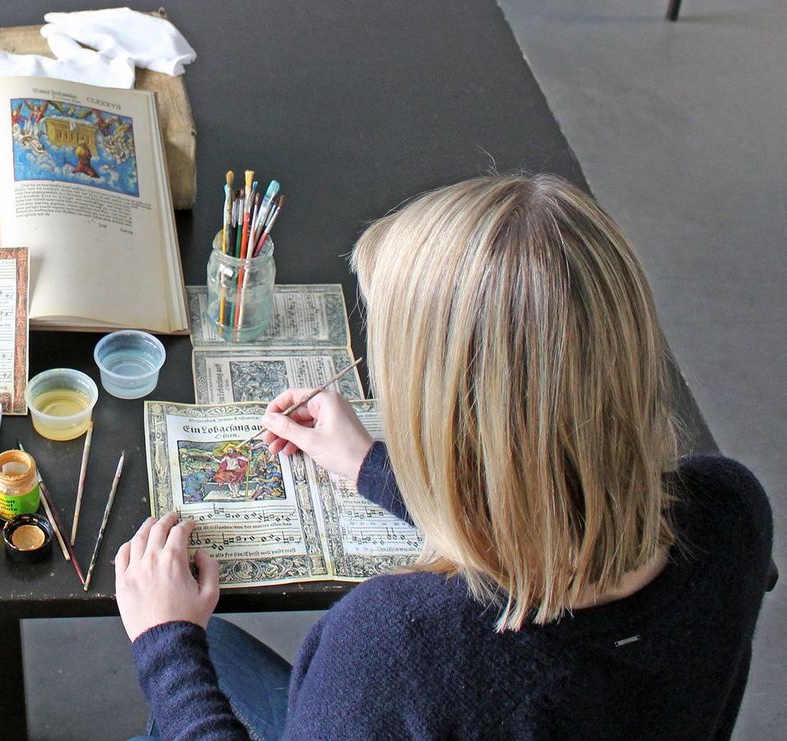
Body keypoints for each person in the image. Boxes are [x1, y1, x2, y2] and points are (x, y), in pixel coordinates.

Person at [114, 174, 773, 740]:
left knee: (197, 651)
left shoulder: (399, 646)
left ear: (446, 418)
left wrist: (166, 644)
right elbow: (546, 511)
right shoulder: (731, 511)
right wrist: (371, 466)